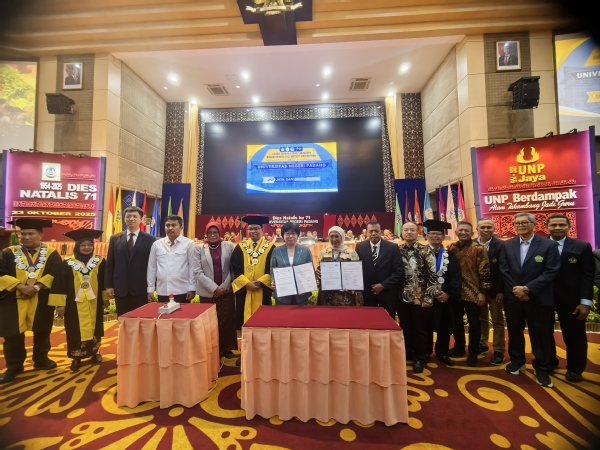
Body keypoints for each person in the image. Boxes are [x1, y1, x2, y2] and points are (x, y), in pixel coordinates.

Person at [499, 212, 560, 388]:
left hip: (538, 298)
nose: (520, 225)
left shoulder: (548, 245)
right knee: (514, 330)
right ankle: (517, 360)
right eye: (517, 223)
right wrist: (517, 290)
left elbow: (551, 271)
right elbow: (503, 269)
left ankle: (542, 367)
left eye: (524, 222)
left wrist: (528, 289)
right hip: (514, 297)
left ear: (534, 224)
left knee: (540, 333)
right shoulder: (507, 245)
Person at [0, 219, 63, 384]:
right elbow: (0, 272)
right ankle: (14, 365)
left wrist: (36, 287)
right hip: (14, 298)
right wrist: (20, 286)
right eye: (23, 234)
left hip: (40, 297)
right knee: (13, 334)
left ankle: (41, 358)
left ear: (40, 235)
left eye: (30, 234)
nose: (26, 237)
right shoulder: (8, 252)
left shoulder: (51, 253)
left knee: (42, 330)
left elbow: (56, 273)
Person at [546, 214, 594, 383]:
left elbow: (587, 276)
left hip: (571, 299)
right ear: (547, 227)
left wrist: (585, 302)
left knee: (575, 336)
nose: (557, 228)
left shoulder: (582, 247)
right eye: (553, 225)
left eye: (561, 225)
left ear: (569, 227)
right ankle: (548, 362)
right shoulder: (538, 245)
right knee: (543, 333)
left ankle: (575, 369)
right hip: (544, 298)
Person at [56, 229, 108, 371]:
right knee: (74, 329)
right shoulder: (67, 263)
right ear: (77, 246)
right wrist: (60, 305)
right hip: (73, 304)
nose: (87, 247)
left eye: (90, 245)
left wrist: (105, 298)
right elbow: (60, 284)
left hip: (94, 301)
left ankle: (95, 352)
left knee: (95, 327)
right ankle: (76, 357)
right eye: (83, 245)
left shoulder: (99, 261)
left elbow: (104, 281)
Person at [447, 221, 490, 367]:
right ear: (456, 232)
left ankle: (473, 352)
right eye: (461, 230)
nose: (463, 232)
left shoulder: (479, 249)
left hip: (473, 292)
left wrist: (482, 292)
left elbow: (485, 272)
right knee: (456, 322)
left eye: (466, 230)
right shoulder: (451, 248)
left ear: (472, 233)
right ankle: (459, 347)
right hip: (455, 292)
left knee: (474, 324)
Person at [397, 222, 438, 373]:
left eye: (412, 230)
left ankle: (419, 357)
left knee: (420, 329)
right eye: (406, 230)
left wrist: (429, 298)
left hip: (420, 298)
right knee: (405, 328)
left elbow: (433, 276)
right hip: (402, 298)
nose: (409, 232)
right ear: (402, 232)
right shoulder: (397, 250)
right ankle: (408, 353)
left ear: (417, 232)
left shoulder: (425, 250)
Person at [195, 222, 237, 359]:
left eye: (215, 232)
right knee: (210, 322)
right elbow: (197, 271)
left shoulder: (229, 246)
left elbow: (233, 268)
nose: (213, 235)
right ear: (206, 234)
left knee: (227, 320)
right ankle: (212, 350)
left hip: (226, 290)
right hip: (208, 292)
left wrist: (224, 287)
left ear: (220, 233)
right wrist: (214, 288)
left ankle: (227, 348)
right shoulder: (199, 248)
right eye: (210, 232)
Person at [424, 220, 461, 367]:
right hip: (426, 297)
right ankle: (426, 351)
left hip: (445, 297)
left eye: (438, 234)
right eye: (432, 233)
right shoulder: (421, 254)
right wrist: (427, 293)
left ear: (443, 237)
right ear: (427, 236)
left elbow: (456, 276)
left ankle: (442, 352)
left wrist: (448, 293)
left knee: (444, 326)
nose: (435, 236)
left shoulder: (450, 255)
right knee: (425, 325)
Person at [106, 206, 155, 316]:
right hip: (120, 287)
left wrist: (151, 288)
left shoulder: (150, 239)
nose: (131, 219)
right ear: (124, 219)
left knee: (140, 319)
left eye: (134, 216)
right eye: (128, 216)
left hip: (140, 288)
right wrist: (109, 285)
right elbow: (110, 263)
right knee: (122, 318)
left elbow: (152, 265)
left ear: (141, 219)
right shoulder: (115, 238)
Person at [231, 215, 275, 330]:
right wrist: (246, 283)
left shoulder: (271, 248)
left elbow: (273, 268)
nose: (253, 231)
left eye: (256, 228)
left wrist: (261, 282)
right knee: (242, 317)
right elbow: (235, 268)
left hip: (263, 290)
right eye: (250, 229)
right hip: (244, 290)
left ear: (262, 230)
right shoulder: (240, 247)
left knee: (264, 319)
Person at [355, 220, 404, 319]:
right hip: (367, 292)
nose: (373, 233)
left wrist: (383, 285)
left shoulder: (392, 247)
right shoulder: (360, 247)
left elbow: (398, 271)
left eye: (376, 231)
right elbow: (357, 270)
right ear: (366, 233)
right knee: (369, 320)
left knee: (387, 320)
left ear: (381, 232)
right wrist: (358, 290)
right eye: (371, 231)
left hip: (388, 292)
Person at [476, 218, 506, 365]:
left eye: (489, 227)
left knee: (497, 320)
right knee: (481, 319)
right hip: (477, 291)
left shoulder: (501, 245)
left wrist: (501, 291)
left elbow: (503, 270)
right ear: (477, 229)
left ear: (494, 229)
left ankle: (499, 350)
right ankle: (482, 344)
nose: (486, 230)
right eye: (483, 227)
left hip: (495, 290)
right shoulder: (472, 244)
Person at [147, 215, 196, 304]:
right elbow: (152, 268)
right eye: (167, 225)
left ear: (181, 228)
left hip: (182, 290)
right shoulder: (157, 244)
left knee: (182, 313)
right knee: (163, 313)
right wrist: (150, 289)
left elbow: (192, 267)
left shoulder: (189, 244)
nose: (170, 228)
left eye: (173, 225)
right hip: (162, 291)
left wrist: (192, 288)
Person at [316, 226, 363, 306]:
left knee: (344, 314)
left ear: (342, 237)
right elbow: (319, 271)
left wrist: (355, 289)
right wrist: (318, 274)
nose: (334, 239)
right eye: (331, 236)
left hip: (345, 294)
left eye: (336, 236)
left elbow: (357, 275)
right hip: (326, 294)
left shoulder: (351, 253)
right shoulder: (323, 253)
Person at [270, 221, 314, 305]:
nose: (290, 236)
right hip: (282, 295)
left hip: (301, 295)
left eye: (293, 233)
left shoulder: (305, 250)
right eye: (287, 233)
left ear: (298, 235)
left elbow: (310, 270)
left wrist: (305, 287)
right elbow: (272, 269)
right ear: (283, 235)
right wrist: (273, 281)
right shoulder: (276, 251)